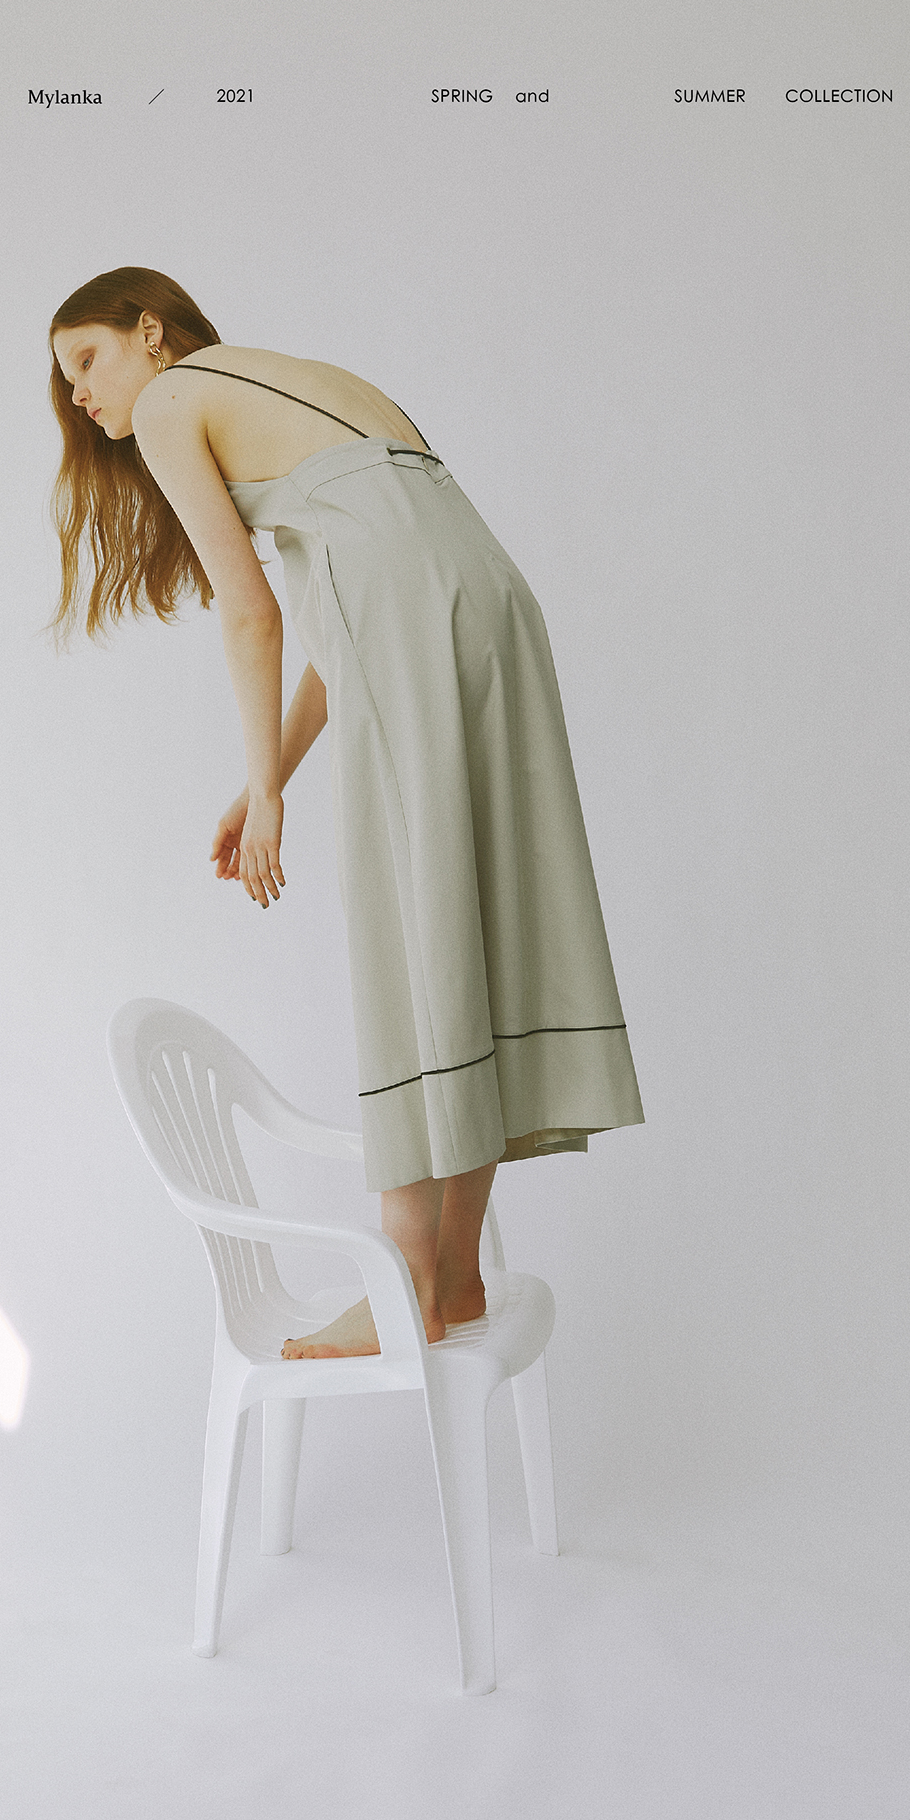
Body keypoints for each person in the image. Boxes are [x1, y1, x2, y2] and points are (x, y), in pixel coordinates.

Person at [48, 267, 644, 1361]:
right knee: (469, 910)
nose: (81, 395)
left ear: (150, 331)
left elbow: (253, 612)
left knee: (411, 922)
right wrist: (266, 774)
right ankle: (453, 1272)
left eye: (87, 359)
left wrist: (270, 795)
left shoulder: (175, 400)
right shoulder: (303, 383)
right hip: (487, 599)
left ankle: (405, 1275)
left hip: (409, 609)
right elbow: (361, 602)